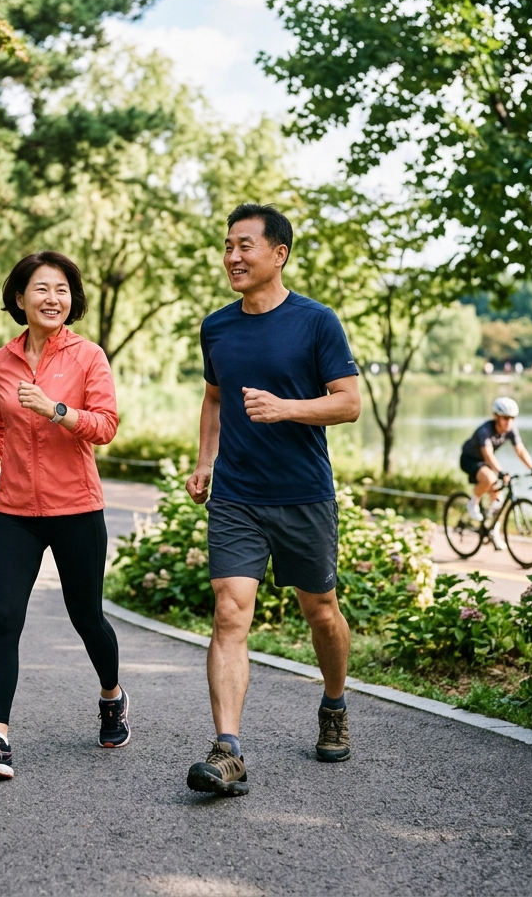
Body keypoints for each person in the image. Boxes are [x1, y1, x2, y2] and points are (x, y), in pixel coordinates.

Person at [183, 203, 361, 797]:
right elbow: (214, 398)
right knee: (229, 613)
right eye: (227, 246)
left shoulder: (317, 322)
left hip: (303, 494)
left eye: (245, 246)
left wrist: (286, 408)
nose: (232, 257)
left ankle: (333, 704)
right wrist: (205, 461)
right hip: (237, 495)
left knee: (321, 611)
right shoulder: (216, 327)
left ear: (278, 254)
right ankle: (227, 750)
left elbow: (349, 402)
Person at [0, 251, 129, 781]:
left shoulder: (88, 356)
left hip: (76, 507)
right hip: (16, 512)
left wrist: (56, 409)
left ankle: (112, 696)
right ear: (19, 298)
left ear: (71, 300)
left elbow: (106, 426)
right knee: (5, 617)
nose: (53, 298)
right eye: (41, 288)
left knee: (86, 617)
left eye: (62, 290)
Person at [460, 397, 532, 549]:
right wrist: (501, 472)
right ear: (496, 417)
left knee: (498, 499)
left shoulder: (510, 429)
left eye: (512, 418)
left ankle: (494, 531)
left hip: (485, 462)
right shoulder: (484, 430)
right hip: (469, 459)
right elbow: (488, 455)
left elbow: (520, 450)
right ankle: (473, 503)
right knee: (490, 478)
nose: (509, 422)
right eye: (505, 418)